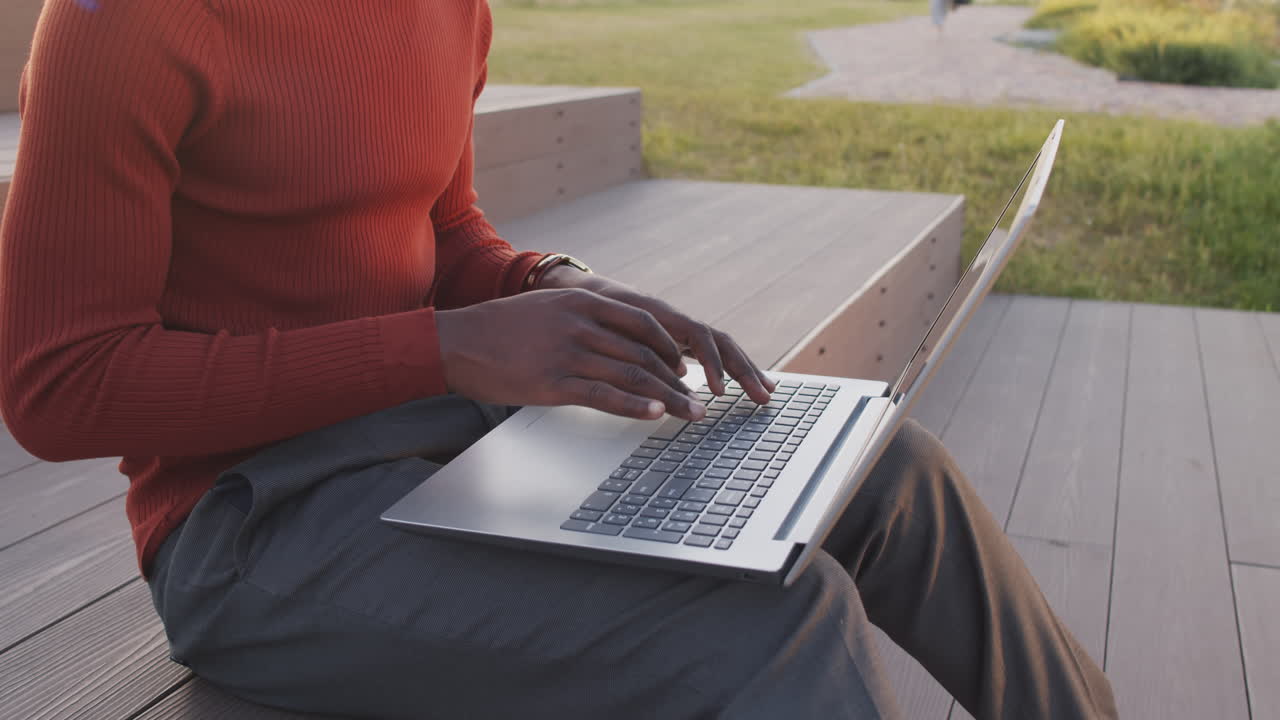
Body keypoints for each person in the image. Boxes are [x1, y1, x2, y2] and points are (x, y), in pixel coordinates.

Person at [0, 1, 1117, 718]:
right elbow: (60, 389)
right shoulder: (123, 21)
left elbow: (439, 234)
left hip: (445, 445)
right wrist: (443, 351)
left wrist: (554, 288)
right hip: (248, 524)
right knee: (783, 625)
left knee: (886, 468)